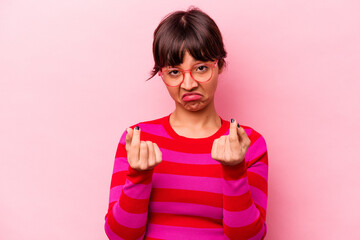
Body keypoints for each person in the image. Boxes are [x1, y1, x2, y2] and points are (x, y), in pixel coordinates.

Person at [104, 7, 268, 240]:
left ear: (219, 65)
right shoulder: (138, 140)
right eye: (174, 72)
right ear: (161, 75)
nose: (188, 84)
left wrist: (234, 171)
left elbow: (249, 237)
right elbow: (120, 236)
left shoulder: (247, 143)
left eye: (201, 68)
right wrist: (138, 175)